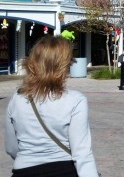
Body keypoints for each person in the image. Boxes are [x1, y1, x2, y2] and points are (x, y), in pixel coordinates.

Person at [5, 36, 100, 177]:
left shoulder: (17, 98)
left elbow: (11, 147)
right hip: (64, 169)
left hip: (24, 170)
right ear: (63, 66)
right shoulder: (76, 100)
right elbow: (82, 153)